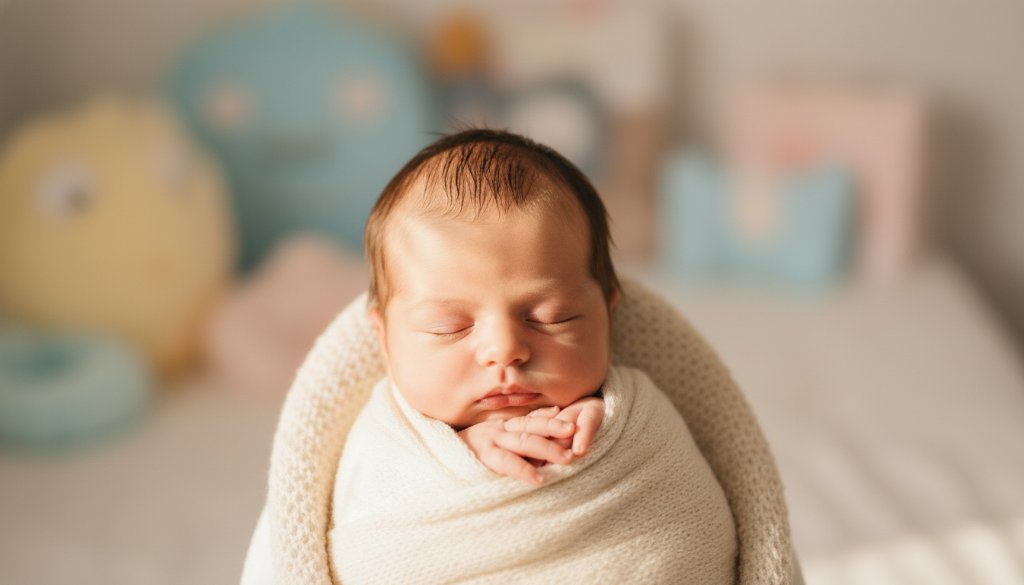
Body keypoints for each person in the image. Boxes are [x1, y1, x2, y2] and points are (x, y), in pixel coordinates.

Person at [242, 129, 737, 584]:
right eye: (449, 326)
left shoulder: (641, 417)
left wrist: (609, 429)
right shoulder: (381, 439)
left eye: (552, 316)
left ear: (609, 315)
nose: (504, 349)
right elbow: (370, 528)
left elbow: (690, 530)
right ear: (385, 340)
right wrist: (468, 451)